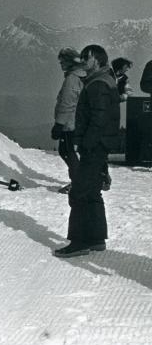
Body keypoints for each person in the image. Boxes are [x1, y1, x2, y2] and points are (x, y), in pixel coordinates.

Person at [54, 44, 120, 258]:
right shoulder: (100, 80)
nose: (83, 60)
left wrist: (86, 144)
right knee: (92, 191)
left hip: (94, 147)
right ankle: (96, 238)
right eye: (82, 56)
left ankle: (79, 241)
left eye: (87, 57)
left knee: (80, 191)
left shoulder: (98, 84)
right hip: (99, 146)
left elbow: (98, 119)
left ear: (98, 60)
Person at [51, 48, 86, 194]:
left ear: (70, 62)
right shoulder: (81, 76)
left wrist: (58, 124)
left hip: (69, 123)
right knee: (69, 151)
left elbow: (67, 103)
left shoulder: (71, 79)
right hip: (77, 121)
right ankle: (80, 180)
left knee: (67, 151)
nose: (60, 64)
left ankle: (78, 183)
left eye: (62, 61)